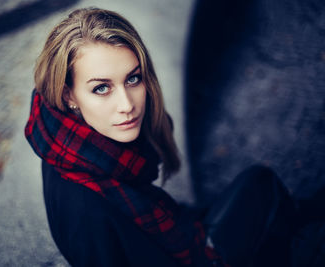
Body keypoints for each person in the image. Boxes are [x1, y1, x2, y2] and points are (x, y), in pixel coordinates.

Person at [25, 7, 299, 267]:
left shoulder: (65, 142)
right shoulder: (88, 212)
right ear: (68, 95)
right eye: (101, 88)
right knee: (263, 185)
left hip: (176, 237)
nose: (127, 104)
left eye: (132, 79)